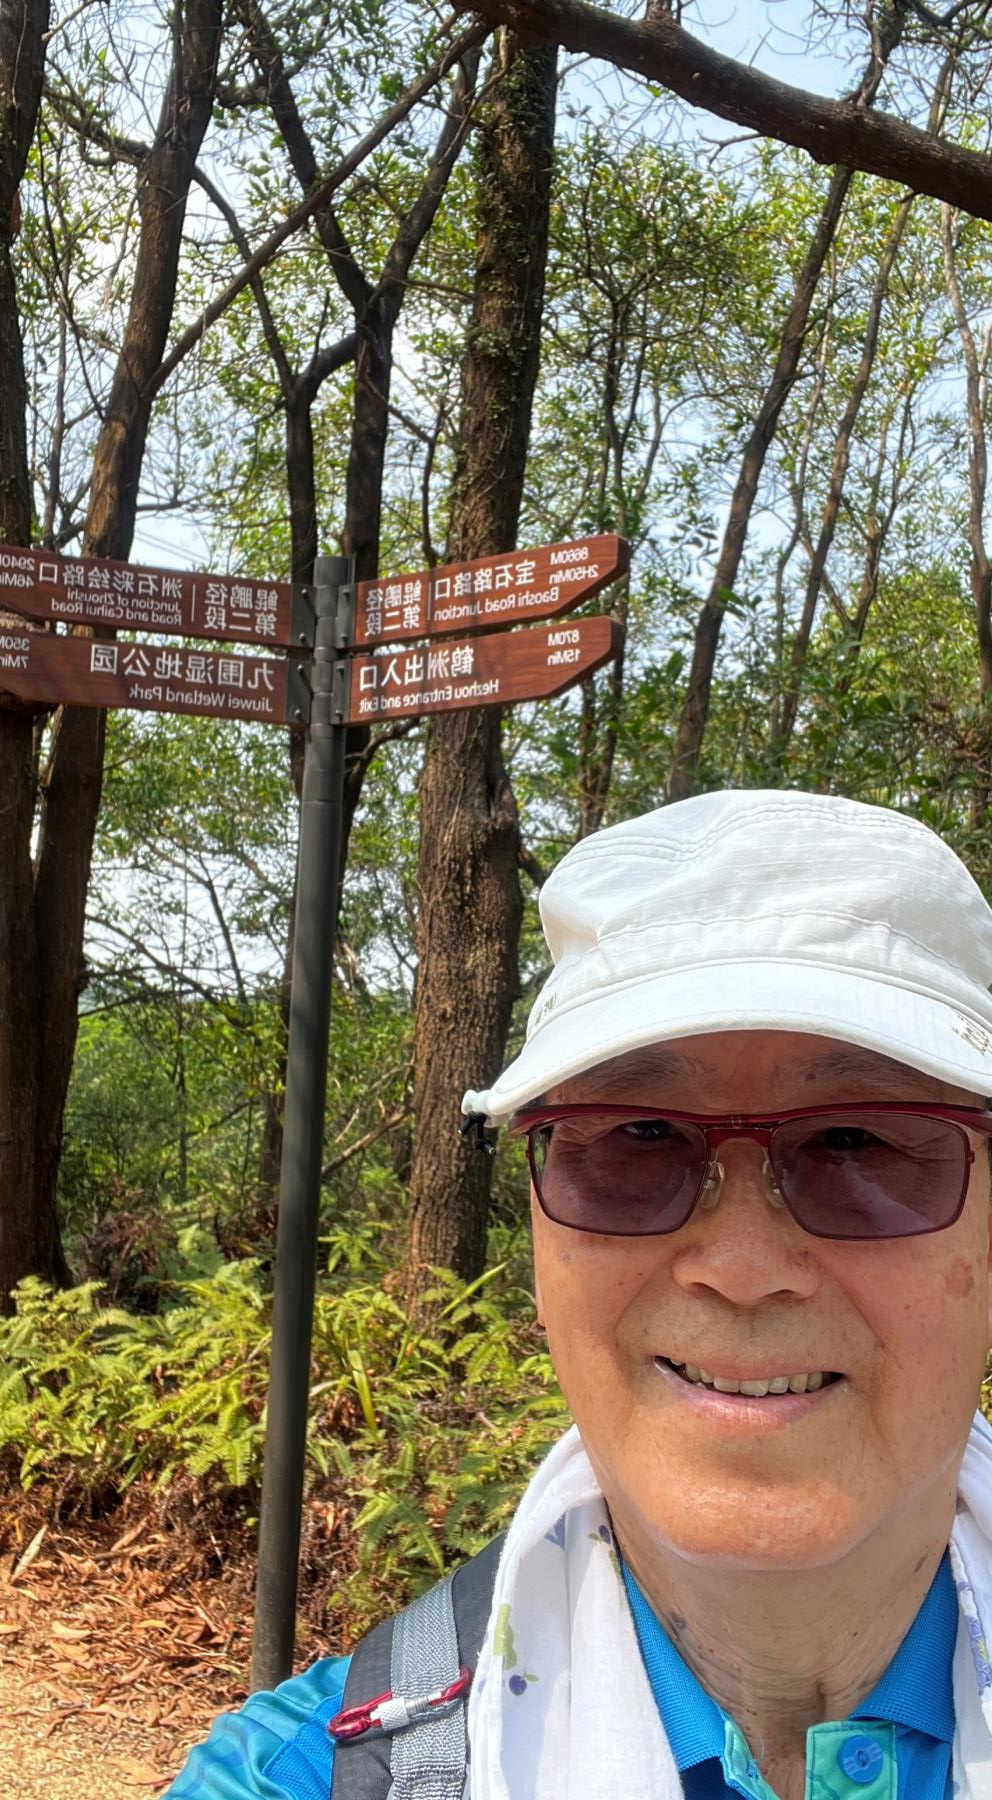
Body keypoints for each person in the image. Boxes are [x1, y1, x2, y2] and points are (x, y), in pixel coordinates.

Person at [164, 787, 992, 1799]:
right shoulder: (306, 1774)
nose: (739, 1265)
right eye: (638, 1139)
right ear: (541, 1246)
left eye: (855, 1140)